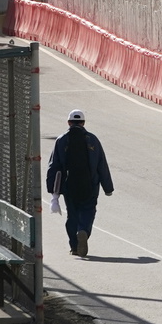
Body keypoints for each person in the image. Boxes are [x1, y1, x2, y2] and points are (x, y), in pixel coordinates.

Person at [45, 109, 113, 257]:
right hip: (91, 186)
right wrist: (108, 188)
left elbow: (53, 165)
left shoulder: (61, 140)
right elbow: (102, 164)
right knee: (88, 211)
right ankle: (83, 231)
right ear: (83, 123)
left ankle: (74, 246)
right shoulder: (92, 140)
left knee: (72, 214)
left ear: (69, 122)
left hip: (69, 186)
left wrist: (53, 192)